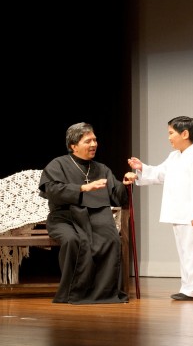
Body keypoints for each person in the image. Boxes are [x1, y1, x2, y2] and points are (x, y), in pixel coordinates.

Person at [39, 122, 137, 304]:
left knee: (112, 240)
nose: (94, 144)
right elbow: (52, 190)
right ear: (73, 146)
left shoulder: (102, 169)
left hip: (97, 217)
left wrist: (126, 182)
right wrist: (83, 188)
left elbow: (119, 197)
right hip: (64, 217)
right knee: (72, 241)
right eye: (88, 141)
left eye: (95, 140)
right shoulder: (58, 164)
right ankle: (72, 293)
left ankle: (104, 293)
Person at [128, 116, 193, 301]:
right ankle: (188, 287)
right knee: (185, 252)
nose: (169, 137)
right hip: (179, 211)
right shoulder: (175, 156)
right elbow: (161, 174)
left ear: (185, 133)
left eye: (171, 133)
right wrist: (141, 168)